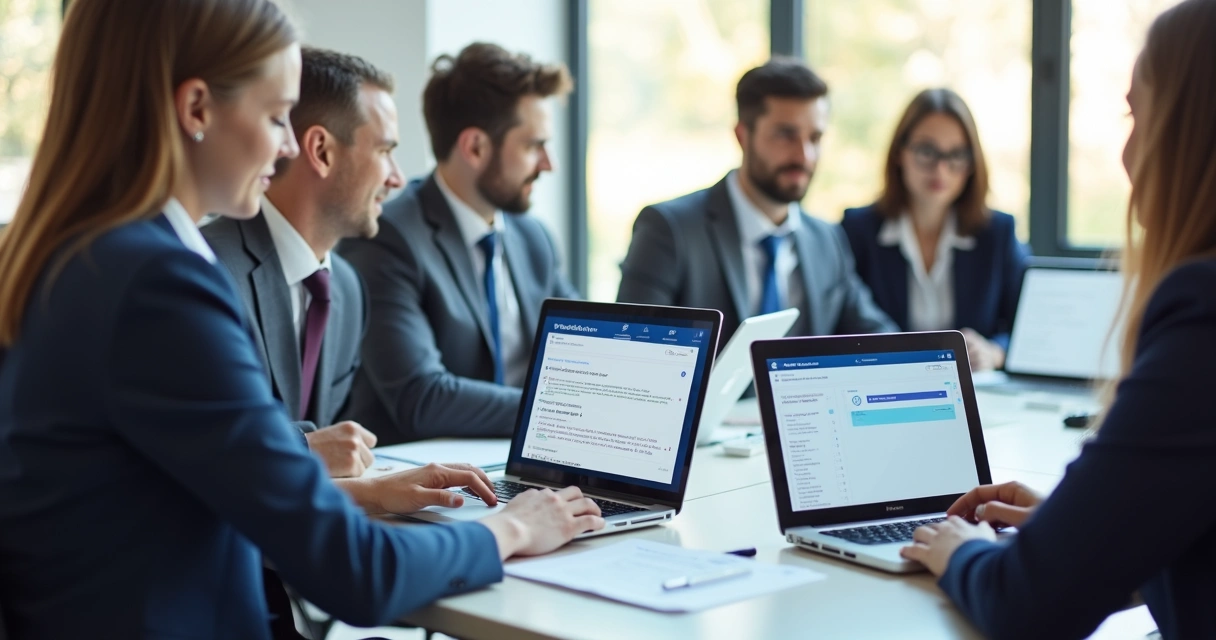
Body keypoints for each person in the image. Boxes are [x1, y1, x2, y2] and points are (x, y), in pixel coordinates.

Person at [0, 2, 603, 638]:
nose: (289, 144)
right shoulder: (160, 284)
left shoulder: (70, 256)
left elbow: (175, 494)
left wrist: (369, 492)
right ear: (197, 109)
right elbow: (355, 572)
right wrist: (514, 527)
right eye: (275, 116)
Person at [900, 1, 1216, 637]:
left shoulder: (1203, 308)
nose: (1127, 155)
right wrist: (1086, 527)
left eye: (1135, 112)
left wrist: (959, 548)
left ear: (1184, 125)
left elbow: (1029, 607)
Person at [338, 42, 579, 444]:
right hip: (425, 480)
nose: (549, 164)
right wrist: (558, 413)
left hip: (525, 456)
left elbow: (578, 354)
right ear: (475, 147)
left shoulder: (533, 238)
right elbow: (422, 398)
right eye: (534, 146)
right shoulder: (387, 239)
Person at [204, 47, 403, 481]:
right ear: (321, 151)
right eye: (386, 151)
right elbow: (209, 448)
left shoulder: (347, 290)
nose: (397, 177)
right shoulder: (208, 270)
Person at [616, 57, 897, 347]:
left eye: (815, 138)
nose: (804, 156)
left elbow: (878, 337)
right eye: (785, 135)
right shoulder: (670, 230)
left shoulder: (826, 239)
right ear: (742, 136)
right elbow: (632, 354)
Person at [841, 89, 1028, 371]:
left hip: (974, 392)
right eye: (927, 151)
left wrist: (994, 352)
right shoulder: (858, 231)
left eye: (956, 155)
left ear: (971, 164)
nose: (941, 169)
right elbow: (840, 327)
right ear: (899, 154)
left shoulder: (997, 233)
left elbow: (1030, 327)